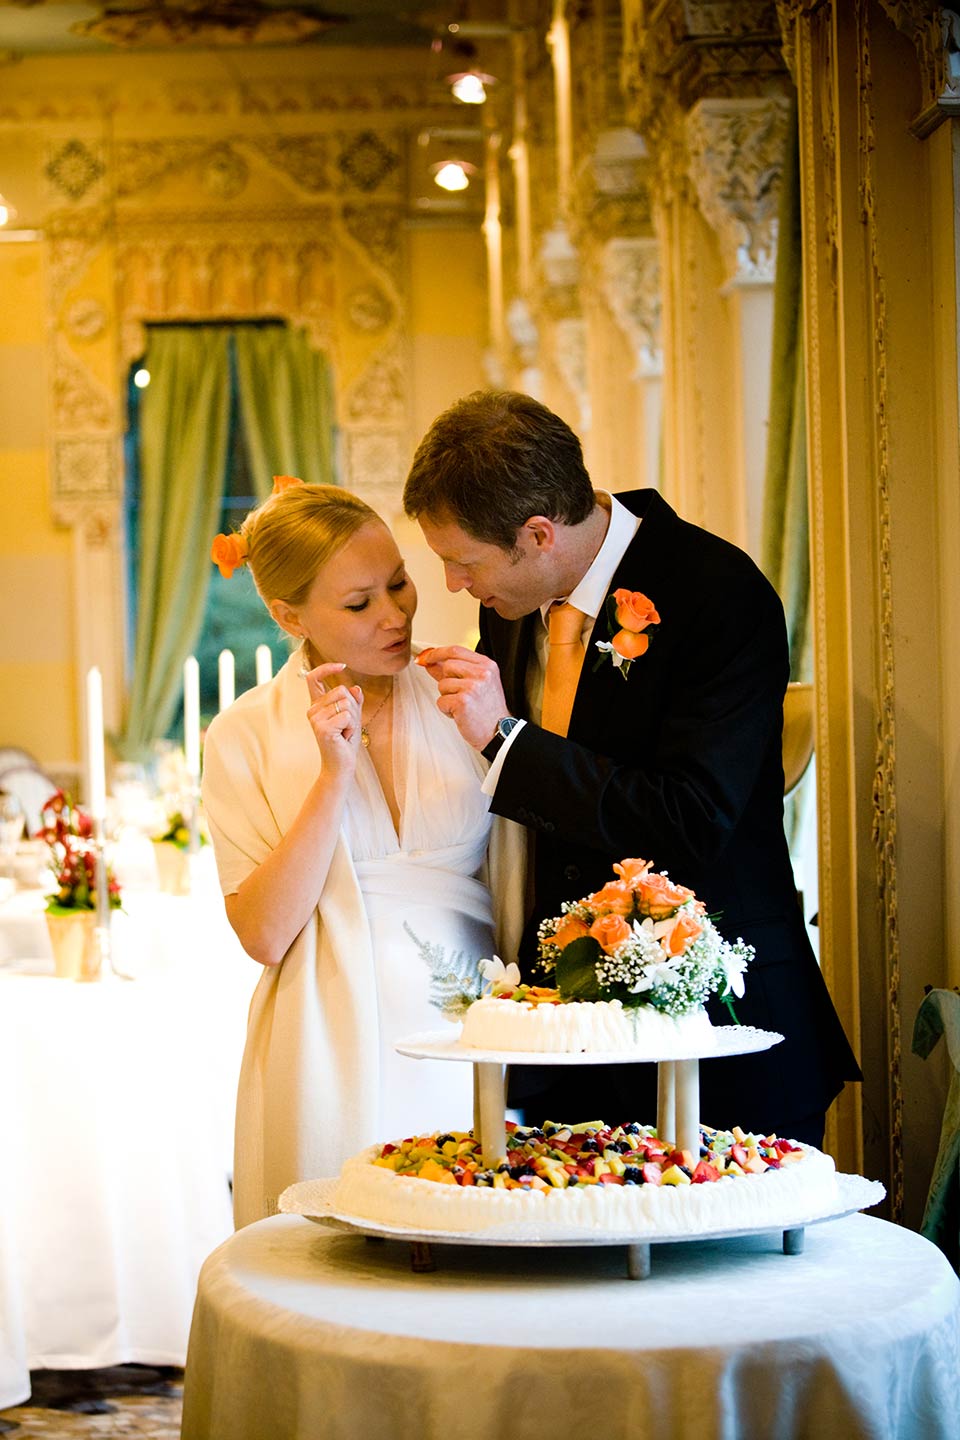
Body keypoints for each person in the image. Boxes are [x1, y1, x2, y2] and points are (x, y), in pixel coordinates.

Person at [403, 390, 861, 1148]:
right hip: (568, 1046)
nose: (454, 584)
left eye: (462, 562)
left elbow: (692, 815)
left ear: (539, 533)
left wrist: (505, 741)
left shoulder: (718, 594)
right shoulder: (510, 603)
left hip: (715, 1026)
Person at [203, 476, 519, 1227]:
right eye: (359, 603)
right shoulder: (243, 736)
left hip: (474, 1034)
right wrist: (332, 777)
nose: (396, 615)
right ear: (289, 615)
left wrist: (503, 729)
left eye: (399, 584)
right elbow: (264, 933)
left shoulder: (466, 697)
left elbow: (522, 864)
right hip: (324, 1049)